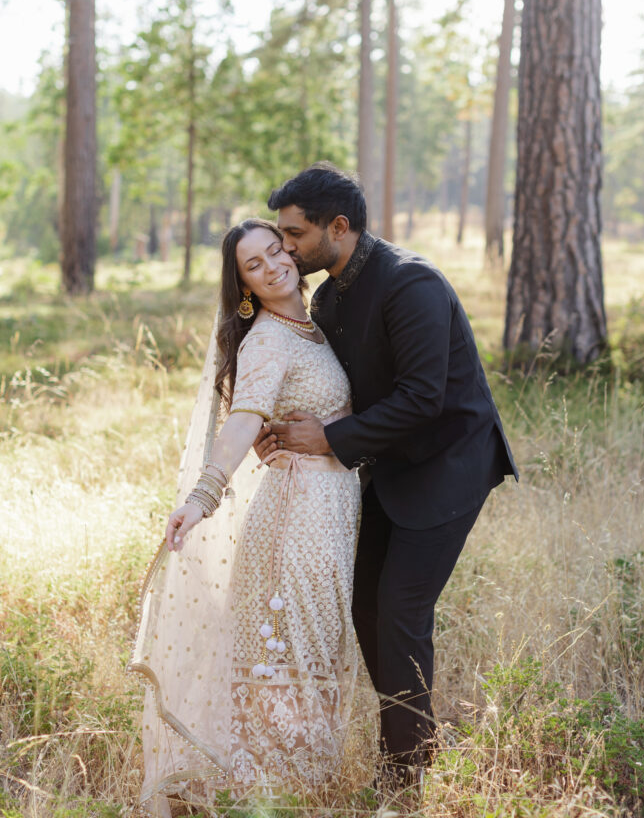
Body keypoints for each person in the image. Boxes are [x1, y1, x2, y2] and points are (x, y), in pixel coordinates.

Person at [257, 163, 519, 799]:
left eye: (294, 233)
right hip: (387, 465)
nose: (285, 247)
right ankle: (418, 738)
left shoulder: (411, 284)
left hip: (450, 464)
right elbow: (341, 387)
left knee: (400, 611)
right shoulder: (328, 294)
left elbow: (424, 398)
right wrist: (283, 422)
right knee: (364, 605)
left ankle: (404, 777)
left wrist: (330, 439)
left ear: (338, 228)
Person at [129, 219, 360, 815]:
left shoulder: (312, 326)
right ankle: (269, 798)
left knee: (317, 658)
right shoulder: (268, 341)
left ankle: (302, 795)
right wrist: (202, 498)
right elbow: (243, 421)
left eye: (276, 251)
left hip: (331, 514)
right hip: (295, 523)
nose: (272, 265)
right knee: (287, 662)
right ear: (245, 288)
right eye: (252, 265)